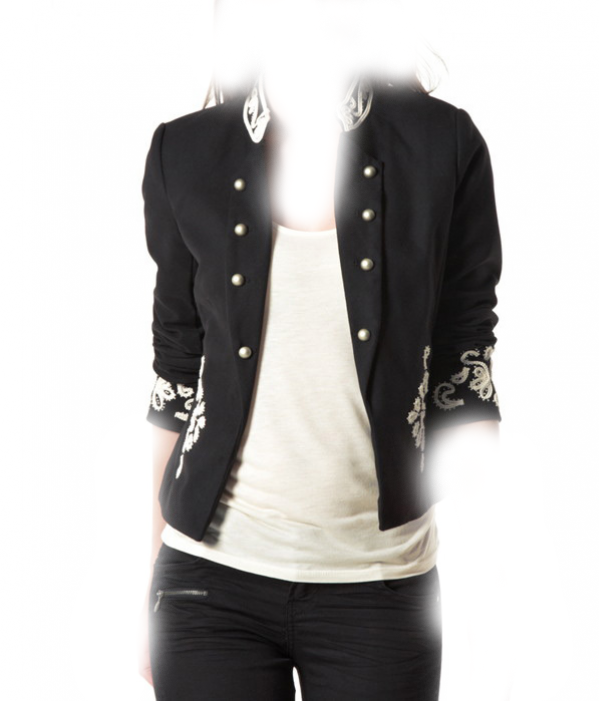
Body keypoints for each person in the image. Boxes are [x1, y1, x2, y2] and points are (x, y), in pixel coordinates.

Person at [138, 1, 503, 699]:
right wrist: (146, 585)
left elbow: (466, 349)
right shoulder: (182, 152)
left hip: (381, 587)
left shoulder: (444, 145)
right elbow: (176, 375)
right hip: (207, 587)